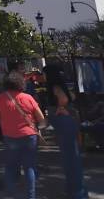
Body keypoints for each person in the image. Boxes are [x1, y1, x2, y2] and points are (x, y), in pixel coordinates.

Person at [0, 71, 45, 199]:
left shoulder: (0, 98)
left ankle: (11, 194)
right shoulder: (28, 97)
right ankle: (31, 196)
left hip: (10, 136)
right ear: (21, 83)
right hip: (29, 136)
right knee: (29, 167)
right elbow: (41, 119)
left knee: (10, 166)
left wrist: (4, 120)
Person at [44, 65, 89, 198]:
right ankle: (74, 190)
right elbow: (71, 97)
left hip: (65, 125)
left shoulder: (55, 87)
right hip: (66, 125)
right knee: (70, 159)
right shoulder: (60, 86)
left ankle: (78, 193)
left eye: (45, 74)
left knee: (71, 160)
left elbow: (65, 99)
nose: (43, 76)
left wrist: (61, 107)